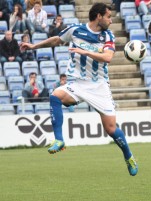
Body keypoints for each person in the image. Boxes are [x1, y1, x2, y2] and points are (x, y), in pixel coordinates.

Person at [20, 3, 138, 176]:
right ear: (98, 16)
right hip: (77, 83)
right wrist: (33, 46)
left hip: (99, 86)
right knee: (55, 96)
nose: (111, 20)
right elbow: (56, 39)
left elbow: (108, 57)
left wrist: (85, 52)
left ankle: (128, 155)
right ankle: (59, 139)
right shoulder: (75, 30)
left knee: (111, 129)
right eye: (108, 16)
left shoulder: (107, 36)